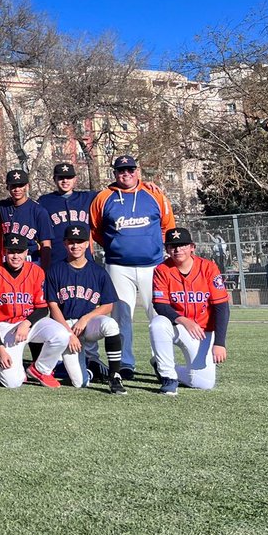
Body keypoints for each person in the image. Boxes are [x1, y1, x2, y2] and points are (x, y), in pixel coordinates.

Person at [90, 154, 176, 378]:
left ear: (137, 171)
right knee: (122, 316)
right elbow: (95, 230)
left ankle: (161, 361)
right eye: (121, 170)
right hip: (119, 266)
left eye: (130, 170)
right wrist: (116, 245)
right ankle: (126, 363)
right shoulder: (104, 197)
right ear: (114, 173)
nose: (125, 174)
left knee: (158, 314)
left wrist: (161, 251)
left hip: (153, 265)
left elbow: (168, 226)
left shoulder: (155, 194)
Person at [0, 234, 71, 390]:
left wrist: (27, 323)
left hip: (31, 323)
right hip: (6, 326)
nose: (16, 256)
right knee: (11, 383)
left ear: (26, 253)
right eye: (11, 252)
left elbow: (43, 308)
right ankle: (2, 362)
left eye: (20, 251)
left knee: (62, 335)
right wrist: (0, 348)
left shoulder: (36, 271)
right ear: (4, 252)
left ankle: (40, 369)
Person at [44, 224, 126, 394]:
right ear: (65, 243)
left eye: (80, 241)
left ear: (87, 244)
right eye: (72, 242)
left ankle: (114, 375)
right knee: (79, 382)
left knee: (110, 325)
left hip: (89, 324)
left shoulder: (98, 272)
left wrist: (86, 318)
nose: (76, 246)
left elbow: (108, 305)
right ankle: (93, 369)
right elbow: (53, 307)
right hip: (65, 325)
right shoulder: (55, 270)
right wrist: (69, 333)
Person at [149, 228, 231, 396]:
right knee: (157, 324)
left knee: (204, 383)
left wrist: (220, 343)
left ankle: (162, 366)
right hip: (177, 326)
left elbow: (221, 306)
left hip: (202, 331)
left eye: (182, 245)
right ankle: (168, 377)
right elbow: (160, 305)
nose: (178, 250)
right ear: (167, 249)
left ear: (192, 247)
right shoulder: (161, 270)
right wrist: (184, 320)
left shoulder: (208, 267)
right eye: (173, 246)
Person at [37, 162, 98, 266]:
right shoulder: (44, 201)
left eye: (68, 177)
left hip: (84, 259)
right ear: (54, 179)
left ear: (75, 179)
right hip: (57, 258)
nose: (65, 181)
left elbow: (108, 196)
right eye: (61, 178)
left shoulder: (87, 198)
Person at [0, 169, 53, 267]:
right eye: (13, 186)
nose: (17, 189)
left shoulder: (38, 210)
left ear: (27, 186)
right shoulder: (1, 207)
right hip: (8, 260)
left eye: (20, 185)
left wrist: (45, 269)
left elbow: (46, 244)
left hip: (31, 259)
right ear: (7, 187)